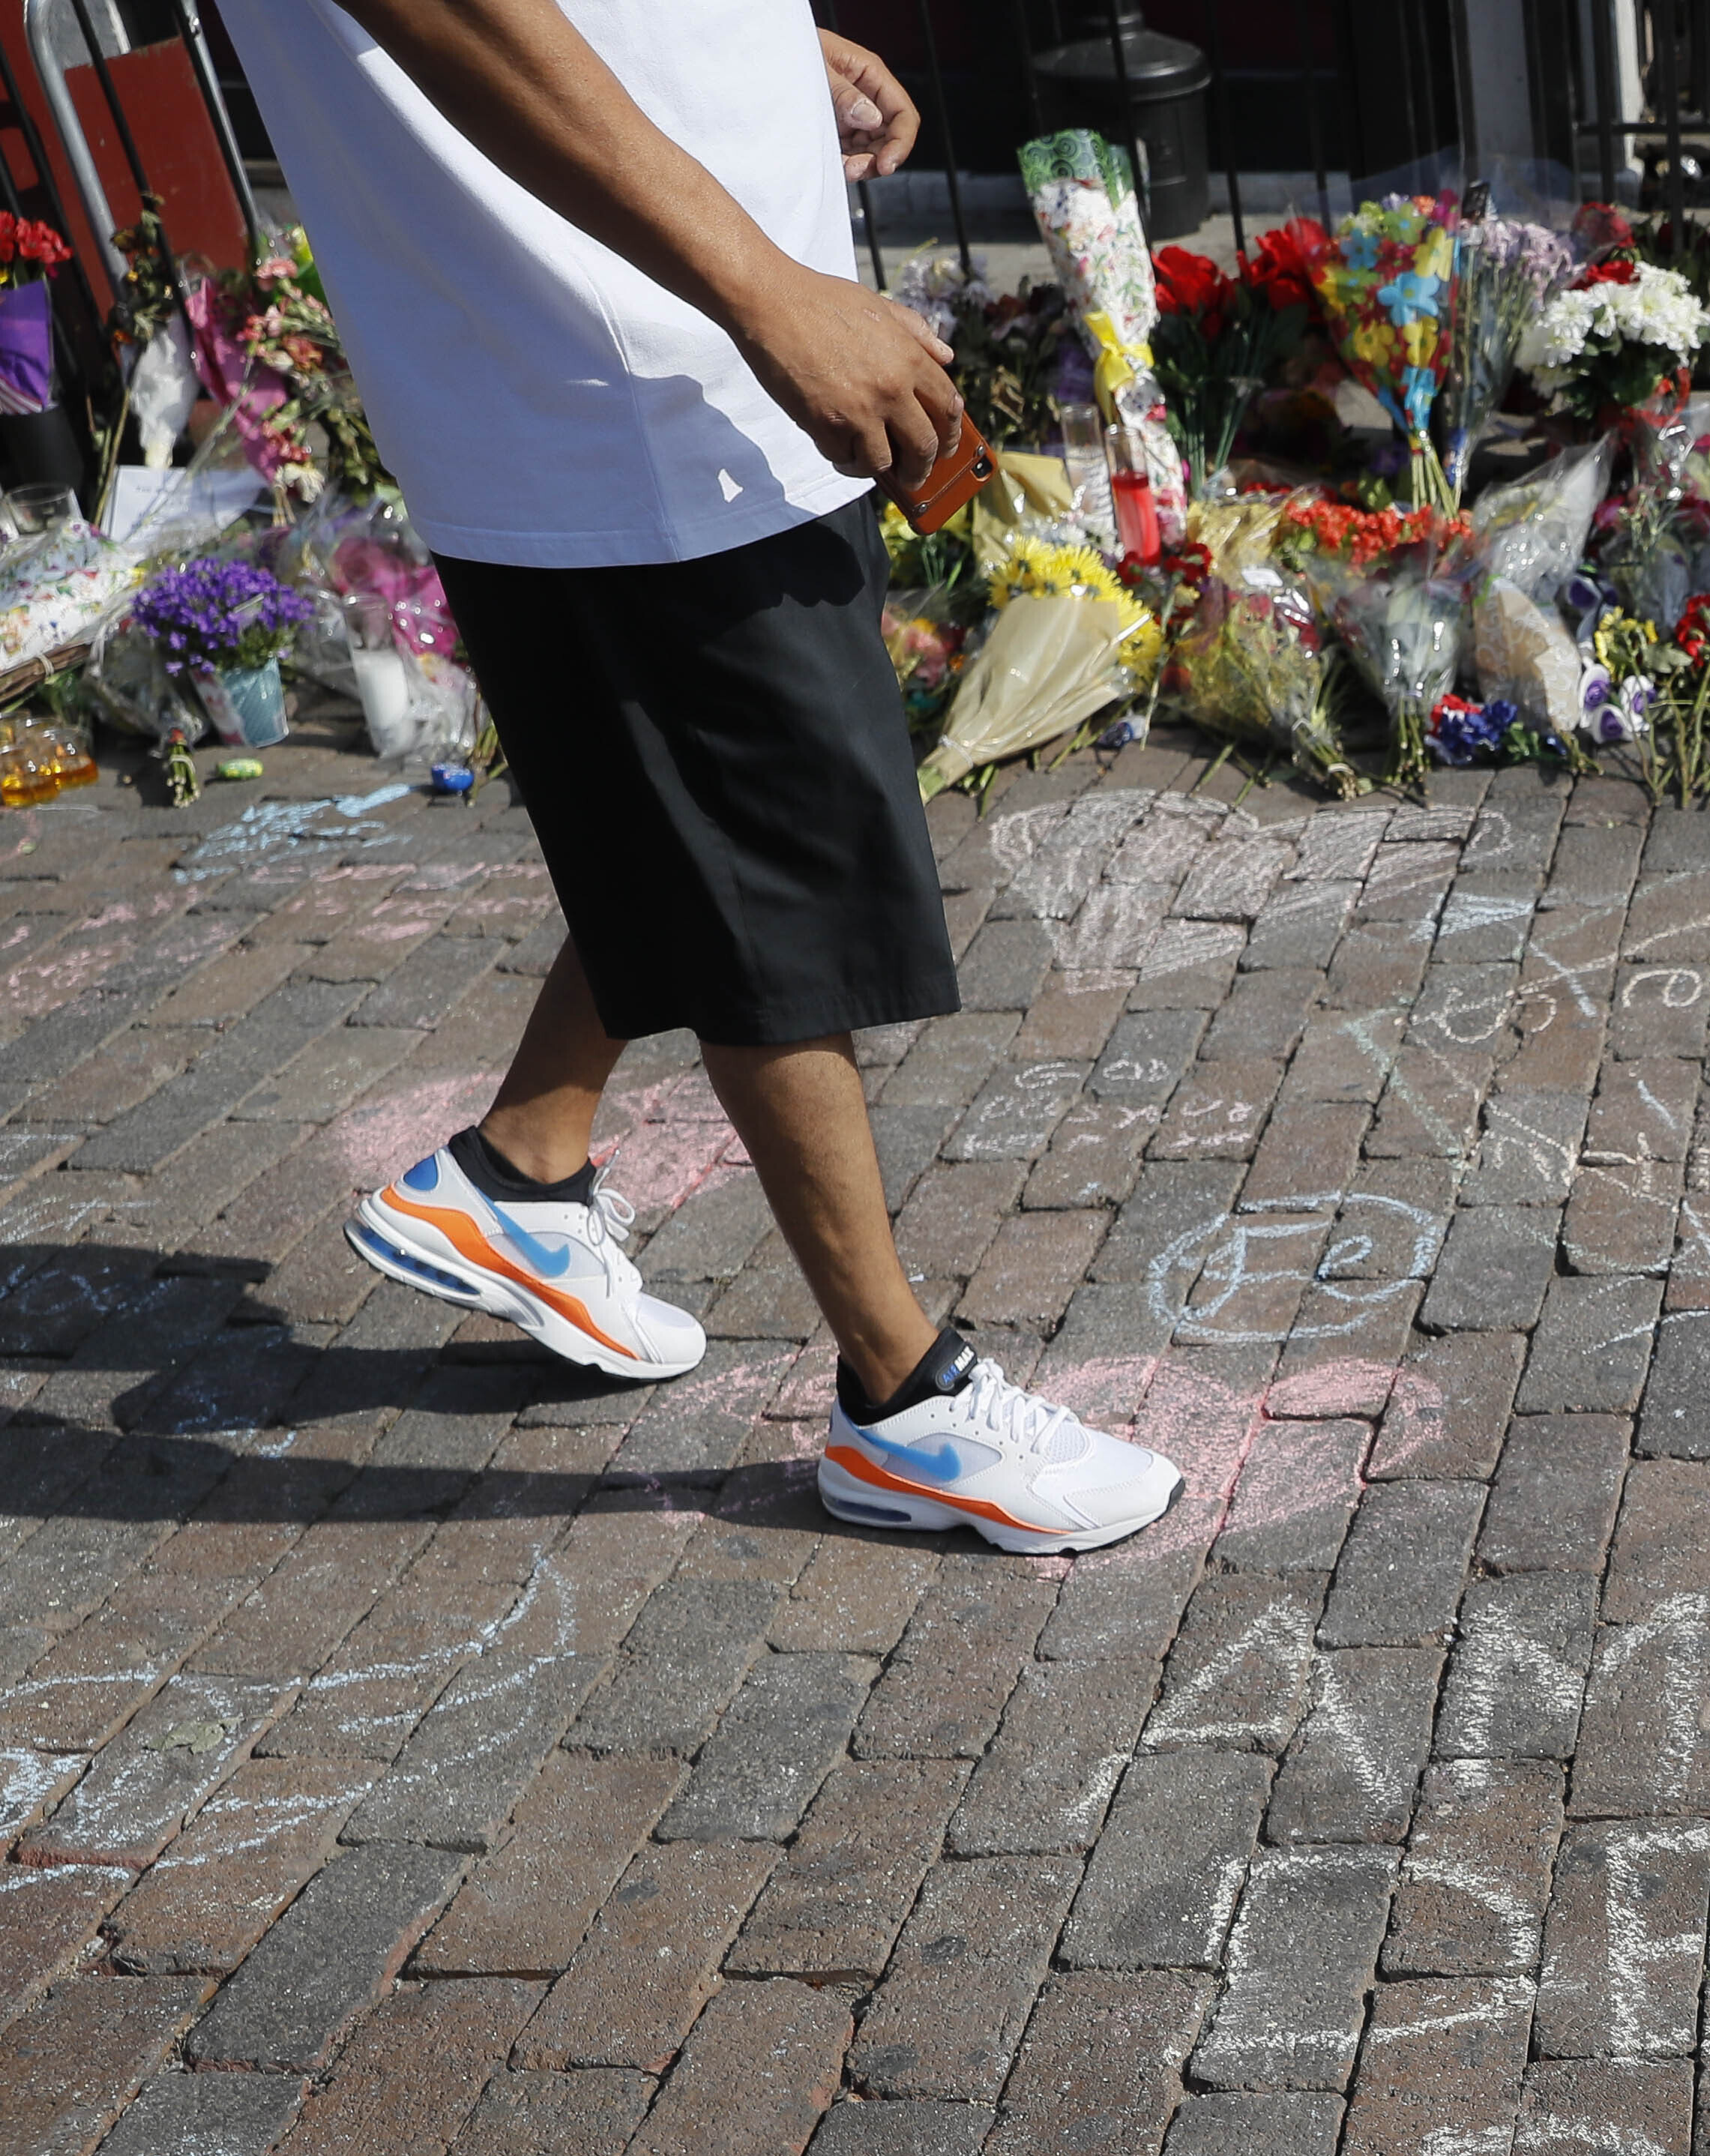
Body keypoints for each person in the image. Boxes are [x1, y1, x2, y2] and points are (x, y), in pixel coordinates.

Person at [214, 0, 1180, 1554]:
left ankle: (520, 1162)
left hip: (696, 359)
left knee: (708, 817)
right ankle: (899, 1401)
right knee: (773, 865)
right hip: (629, 376)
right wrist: (759, 292)